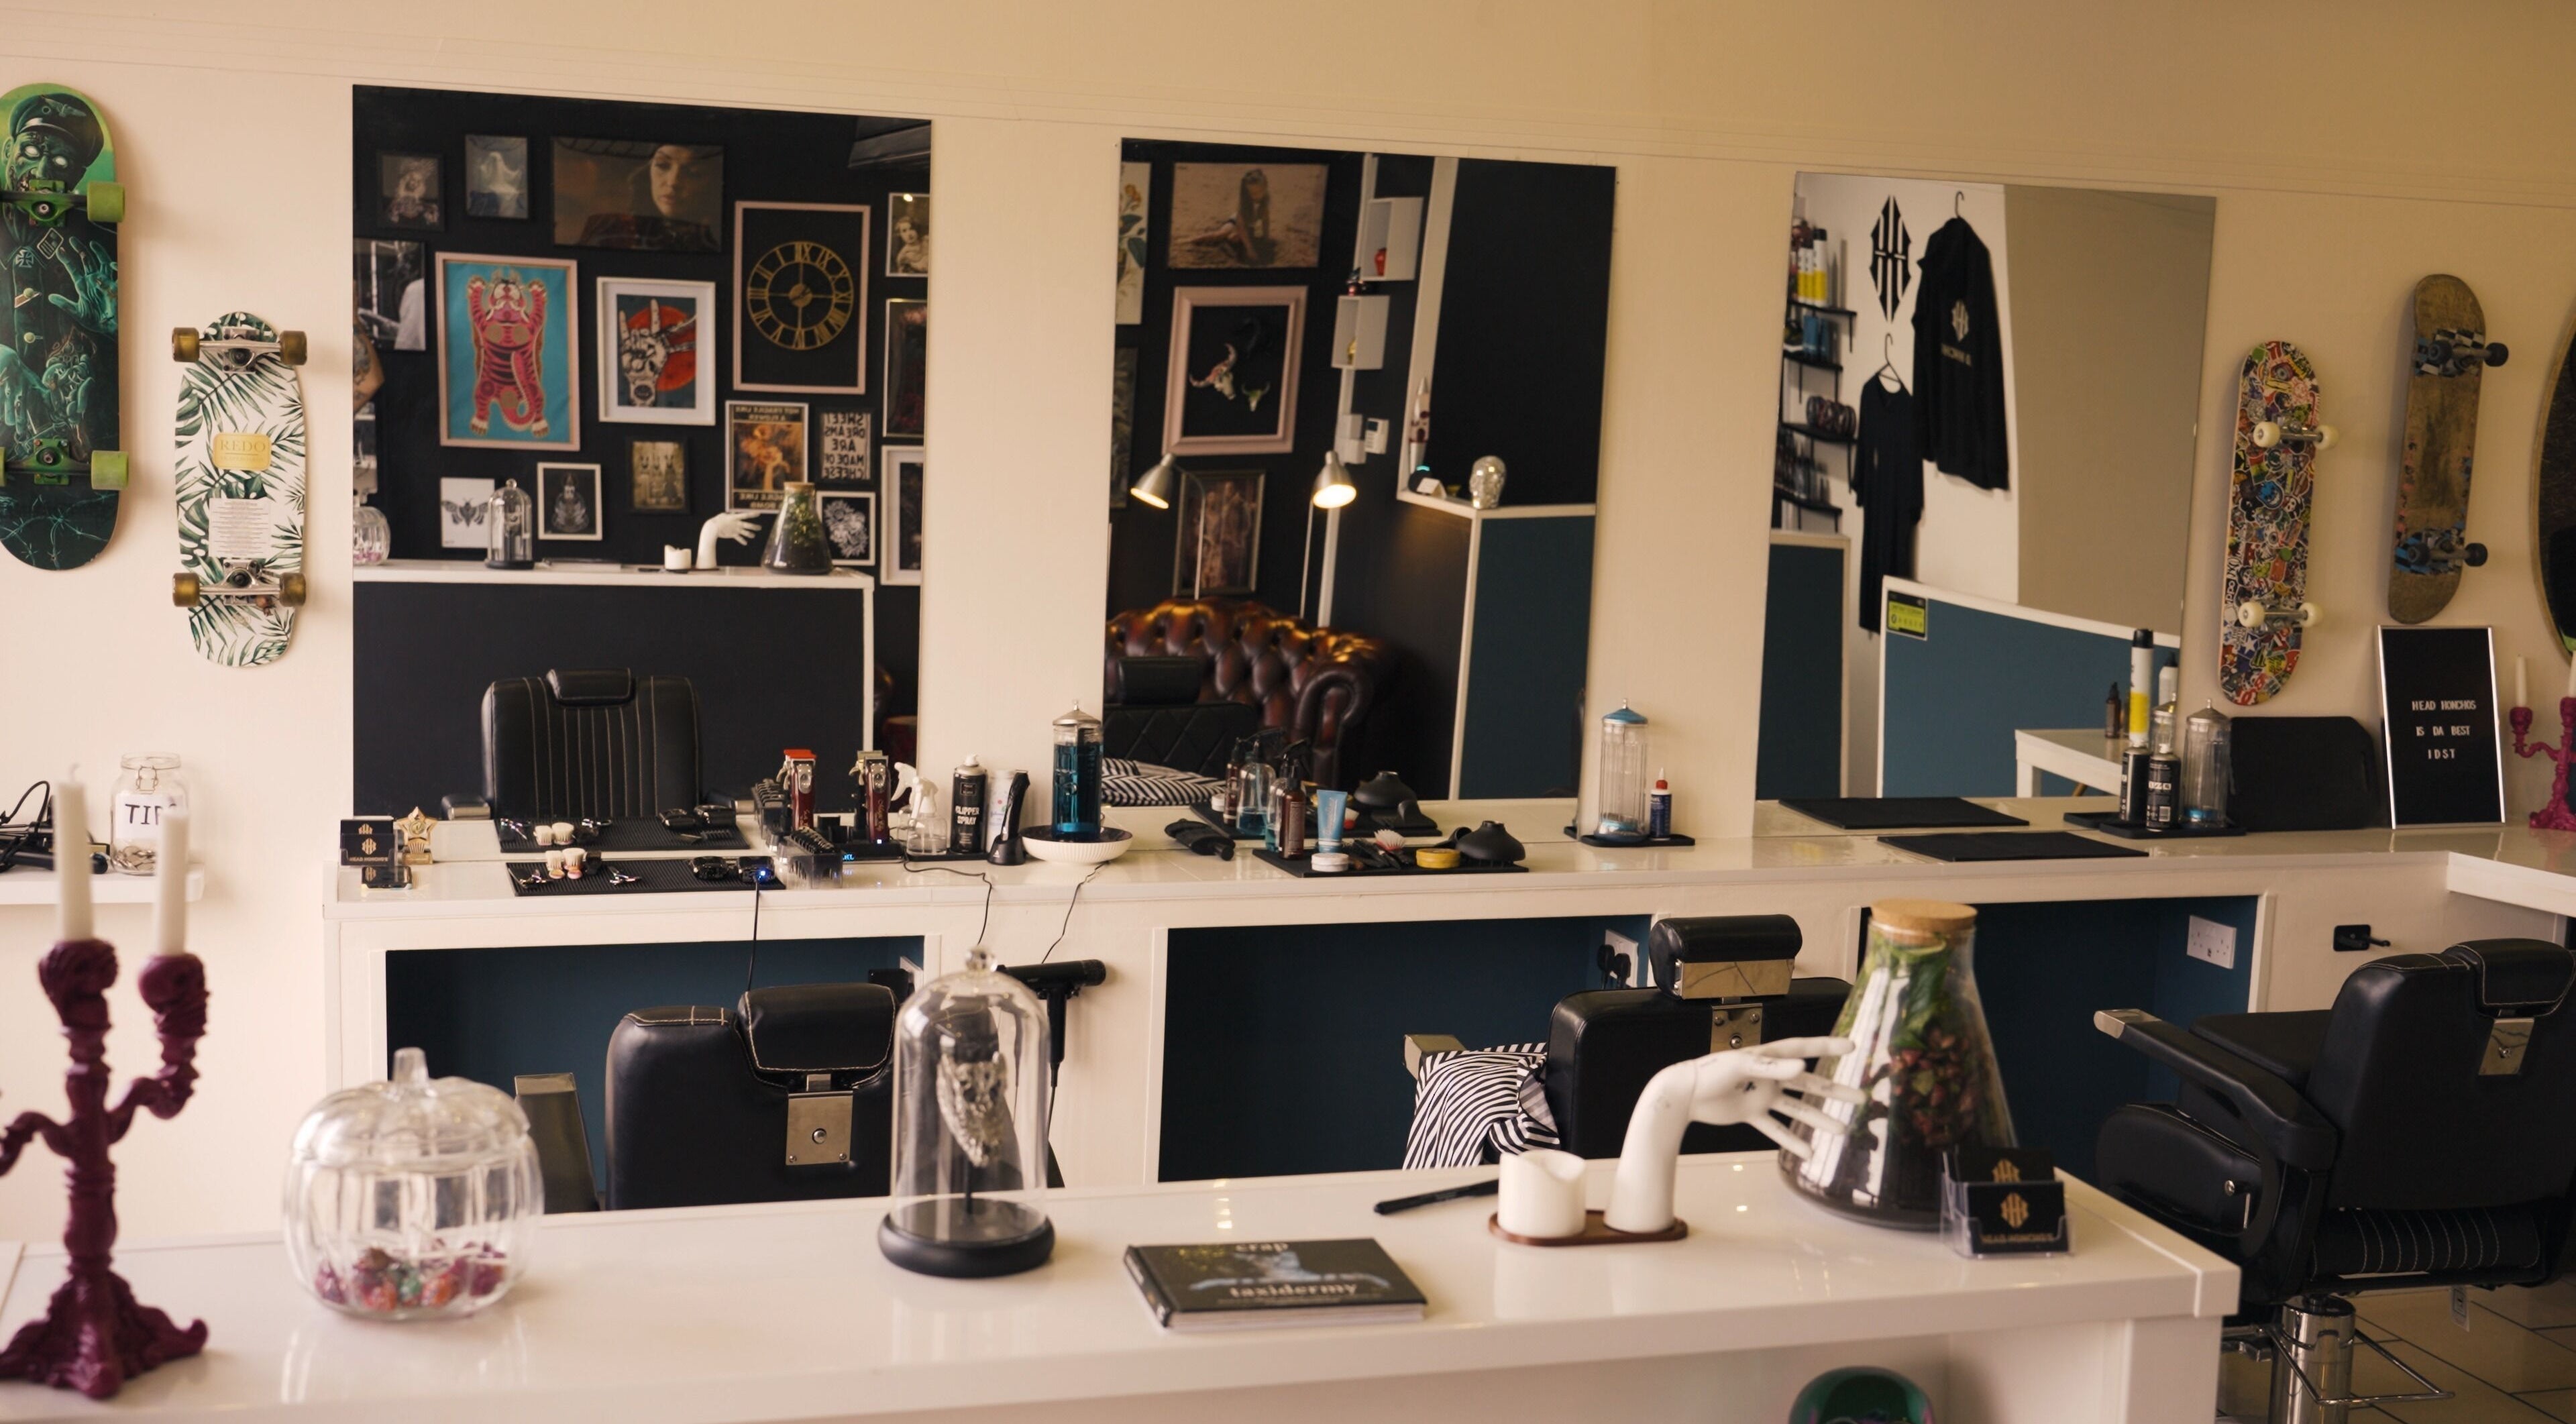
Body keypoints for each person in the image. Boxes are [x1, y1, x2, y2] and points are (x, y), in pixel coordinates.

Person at [575, 144, 717, 252]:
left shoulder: (714, 242)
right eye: (662, 165)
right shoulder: (612, 230)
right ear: (648, 171)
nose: (673, 182)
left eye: (693, 173)